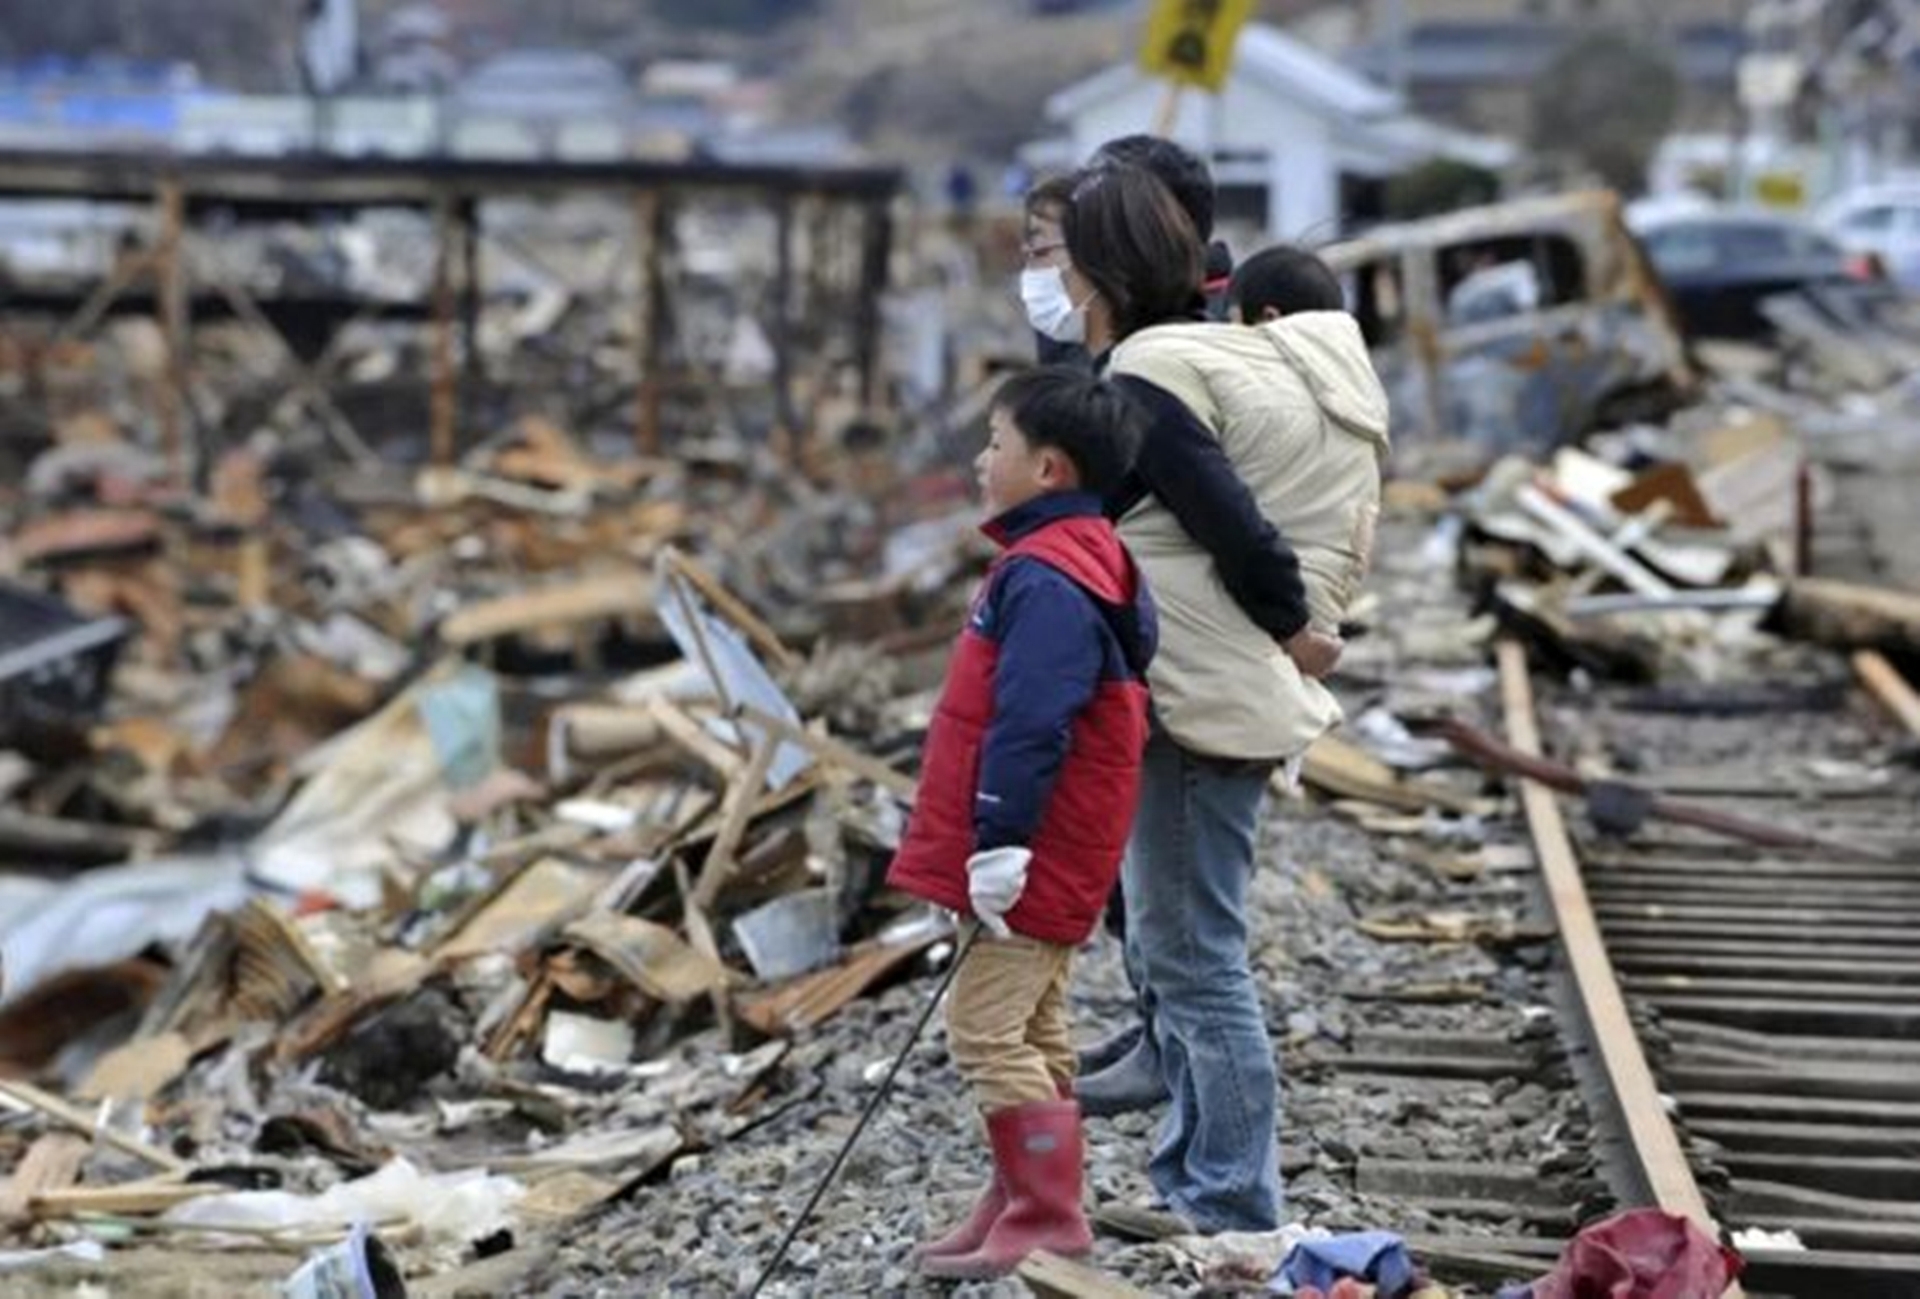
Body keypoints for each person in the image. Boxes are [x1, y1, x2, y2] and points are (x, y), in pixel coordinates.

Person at [1058, 166, 1388, 1233]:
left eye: (1059, 257)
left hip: (1206, 697)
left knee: (1196, 956)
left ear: (1098, 270)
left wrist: (1296, 628)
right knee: (1168, 946)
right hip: (1192, 687)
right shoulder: (1167, 359)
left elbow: (1229, 520)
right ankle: (1197, 1174)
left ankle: (1235, 1199)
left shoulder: (1151, 373)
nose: (1050, 278)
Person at [887, 366, 1158, 1279]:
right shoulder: (1073, 557)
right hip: (1053, 841)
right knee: (1037, 1023)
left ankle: (1044, 1210)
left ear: (1047, 468)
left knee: (985, 1028)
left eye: (995, 445)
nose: (978, 460)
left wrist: (1000, 840)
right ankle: (1021, 1195)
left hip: (1033, 843)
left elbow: (1032, 719)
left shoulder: (1045, 579)